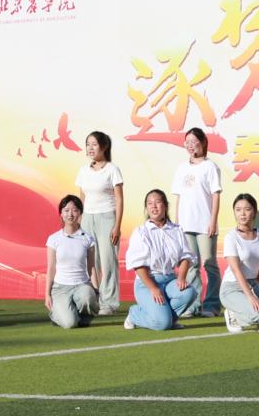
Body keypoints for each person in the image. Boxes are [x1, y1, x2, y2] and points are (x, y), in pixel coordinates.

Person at [123, 189, 199, 331]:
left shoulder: (176, 230)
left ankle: (167, 318)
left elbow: (185, 256)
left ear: (165, 206)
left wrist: (181, 277)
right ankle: (134, 314)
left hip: (169, 280)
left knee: (189, 292)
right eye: (149, 203)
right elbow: (138, 265)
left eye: (157, 202)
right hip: (147, 283)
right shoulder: (141, 232)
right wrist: (153, 288)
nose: (154, 206)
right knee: (162, 324)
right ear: (146, 208)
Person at [172, 126, 223, 317]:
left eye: (194, 142)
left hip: (204, 224)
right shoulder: (181, 168)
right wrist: (177, 222)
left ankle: (212, 305)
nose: (191, 145)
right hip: (186, 225)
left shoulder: (210, 167)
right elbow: (178, 196)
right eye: (188, 142)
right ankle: (193, 305)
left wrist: (213, 221)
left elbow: (216, 195)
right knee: (191, 265)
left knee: (209, 264)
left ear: (203, 143)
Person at [76, 131, 126, 315]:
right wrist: (79, 221)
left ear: (104, 147)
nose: (90, 148)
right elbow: (82, 197)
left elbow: (119, 199)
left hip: (107, 217)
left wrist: (117, 226)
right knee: (91, 261)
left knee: (108, 261)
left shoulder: (112, 169)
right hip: (87, 218)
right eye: (88, 144)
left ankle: (109, 303)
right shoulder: (83, 170)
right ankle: (94, 298)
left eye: (94, 144)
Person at [219, 193, 259, 333]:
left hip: (253, 284)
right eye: (238, 210)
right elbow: (236, 270)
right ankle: (233, 315)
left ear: (254, 212)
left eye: (247, 209)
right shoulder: (231, 237)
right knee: (258, 315)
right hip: (232, 288)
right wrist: (250, 296)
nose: (242, 214)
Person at [45, 195, 100, 329]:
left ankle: (84, 317)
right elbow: (51, 268)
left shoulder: (87, 239)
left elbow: (91, 267)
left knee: (88, 297)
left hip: (82, 285)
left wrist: (96, 291)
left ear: (80, 213)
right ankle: (56, 315)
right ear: (61, 214)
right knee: (70, 323)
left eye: (75, 210)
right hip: (60, 288)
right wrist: (47, 294)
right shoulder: (54, 239)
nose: (70, 214)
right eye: (66, 210)